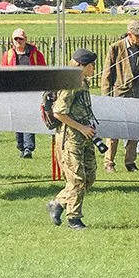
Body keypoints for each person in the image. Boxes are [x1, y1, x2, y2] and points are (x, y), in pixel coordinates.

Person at [43, 46, 99, 229]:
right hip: (70, 137)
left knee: (89, 176)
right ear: (83, 65)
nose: (94, 68)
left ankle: (58, 203)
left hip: (84, 134)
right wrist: (81, 128)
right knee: (76, 179)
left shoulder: (83, 82)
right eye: (92, 65)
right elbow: (59, 112)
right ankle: (74, 219)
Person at [102, 19, 139, 173]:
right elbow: (107, 74)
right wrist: (106, 98)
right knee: (114, 131)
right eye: (138, 36)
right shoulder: (115, 48)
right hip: (120, 94)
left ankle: (130, 162)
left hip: (138, 95)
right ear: (129, 34)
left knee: (134, 130)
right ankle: (109, 162)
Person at [1, 23, 46, 157]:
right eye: (16, 39)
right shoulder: (8, 55)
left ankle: (28, 148)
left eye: (20, 38)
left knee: (28, 117)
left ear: (25, 39)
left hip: (31, 91)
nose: (18, 41)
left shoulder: (36, 55)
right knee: (18, 119)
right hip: (14, 92)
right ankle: (21, 146)